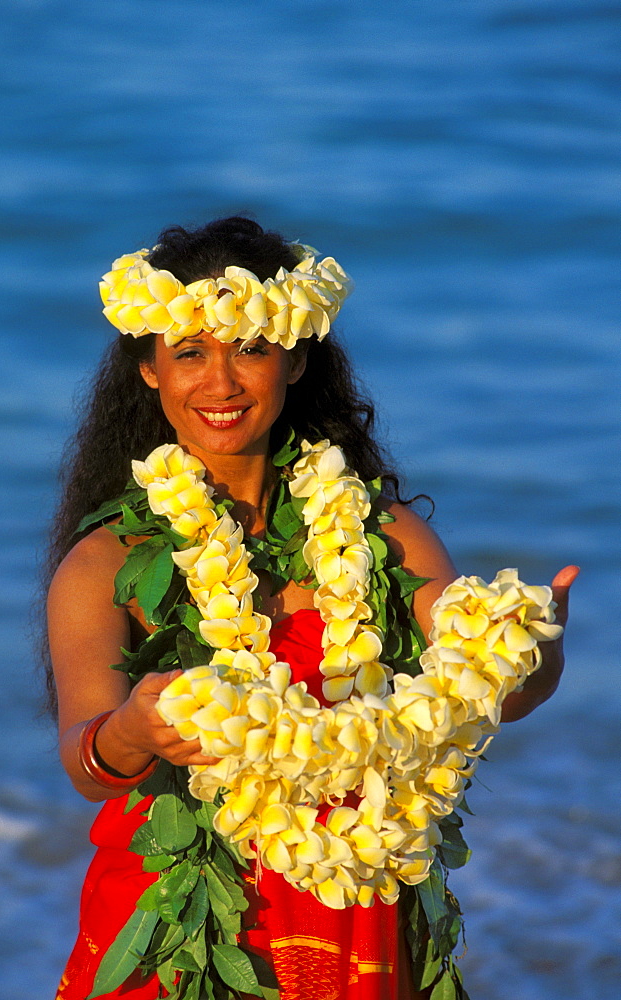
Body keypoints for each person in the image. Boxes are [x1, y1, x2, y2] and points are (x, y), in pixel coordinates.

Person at [43, 217, 577, 1000]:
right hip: (180, 919)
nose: (220, 383)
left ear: (293, 359)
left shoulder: (381, 537)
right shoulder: (106, 563)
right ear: (150, 371)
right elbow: (85, 760)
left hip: (354, 892)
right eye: (190, 353)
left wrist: (533, 647)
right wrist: (132, 730)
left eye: (250, 348)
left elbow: (483, 685)